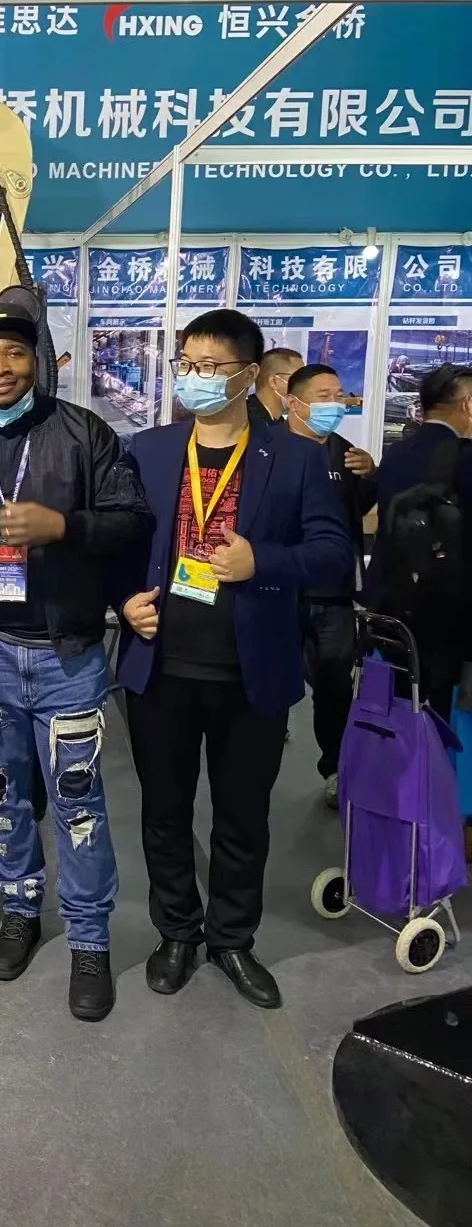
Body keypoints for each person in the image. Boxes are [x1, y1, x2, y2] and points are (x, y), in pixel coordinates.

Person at [0, 299, 153, 1023]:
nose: (0, 368)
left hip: (68, 653)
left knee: (78, 800)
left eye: (14, 354)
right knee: (1, 793)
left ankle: (89, 940)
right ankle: (19, 911)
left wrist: (65, 526)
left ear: (36, 360)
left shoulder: (84, 433)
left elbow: (134, 521)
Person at [118, 310, 352, 1011]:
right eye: (185, 364)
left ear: (250, 376)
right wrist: (122, 601)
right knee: (163, 812)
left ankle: (231, 939)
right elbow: (118, 544)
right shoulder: (150, 451)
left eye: (210, 366)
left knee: (243, 816)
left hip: (252, 670)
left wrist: (263, 562)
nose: (192, 377)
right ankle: (176, 932)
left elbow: (333, 553)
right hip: (160, 665)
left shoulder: (296, 458)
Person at [285, 364, 378, 807]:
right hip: (280, 588)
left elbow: (360, 512)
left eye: (339, 395)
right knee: (268, 673)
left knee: (335, 680)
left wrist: (371, 476)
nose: (335, 404)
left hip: (334, 593)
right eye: (324, 396)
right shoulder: (269, 449)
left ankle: (336, 766)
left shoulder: (347, 455)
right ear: (295, 403)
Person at [367, 362, 472, 716]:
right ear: (467, 404)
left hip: (391, 600)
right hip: (448, 610)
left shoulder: (397, 452)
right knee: (441, 710)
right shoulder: (464, 457)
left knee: (400, 702)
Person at [246, 347, 303, 430]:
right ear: (274, 381)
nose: (304, 387)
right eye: (299, 379)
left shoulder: (279, 422)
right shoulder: (244, 421)